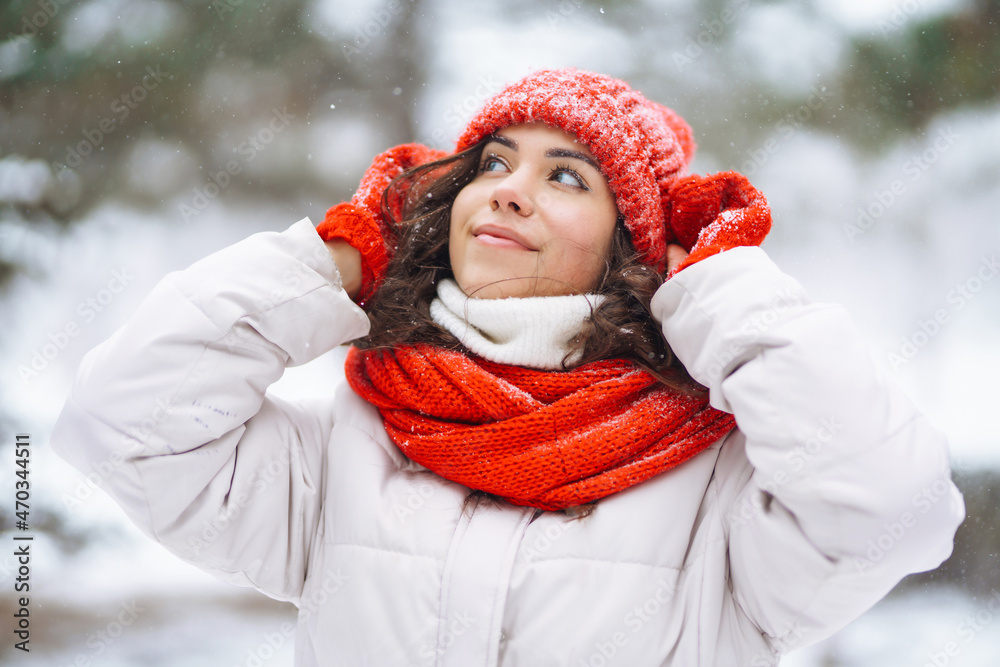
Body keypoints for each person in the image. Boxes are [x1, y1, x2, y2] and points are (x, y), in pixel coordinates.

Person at [51, 68, 964, 666]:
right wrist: (334, 264)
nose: (509, 188)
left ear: (631, 247)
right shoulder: (350, 442)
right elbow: (121, 423)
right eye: (494, 161)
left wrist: (717, 289)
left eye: (567, 176)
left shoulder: (716, 486)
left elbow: (894, 507)